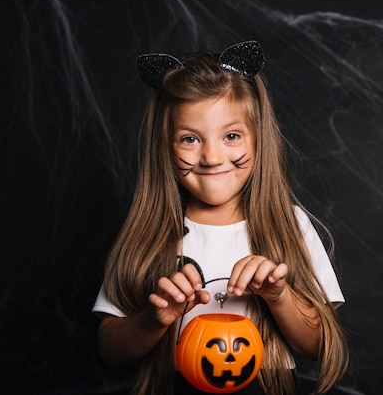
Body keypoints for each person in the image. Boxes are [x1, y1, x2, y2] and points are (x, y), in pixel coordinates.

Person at [92, 41, 349, 395]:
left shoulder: (289, 224)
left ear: (259, 140)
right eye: (189, 139)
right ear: (164, 146)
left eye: (231, 136)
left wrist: (278, 296)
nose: (212, 157)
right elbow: (110, 352)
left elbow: (320, 345)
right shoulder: (147, 232)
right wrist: (154, 319)